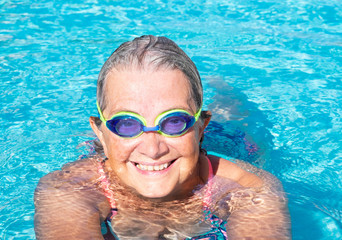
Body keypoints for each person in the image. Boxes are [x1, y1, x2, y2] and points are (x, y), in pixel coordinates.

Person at [34, 35, 291, 239]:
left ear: (201, 127)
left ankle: (225, 95)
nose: (152, 148)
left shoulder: (249, 189)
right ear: (100, 131)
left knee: (243, 134)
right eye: (126, 123)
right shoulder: (69, 189)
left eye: (174, 121)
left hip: (230, 145)